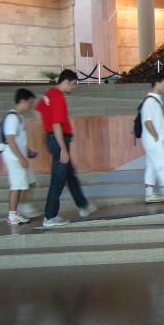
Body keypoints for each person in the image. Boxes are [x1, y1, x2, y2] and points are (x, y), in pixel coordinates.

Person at [35, 69, 97, 227]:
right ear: (66, 82)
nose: (74, 88)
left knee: (70, 175)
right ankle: (50, 216)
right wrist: (62, 148)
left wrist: (47, 134)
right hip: (59, 140)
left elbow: (39, 111)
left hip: (53, 138)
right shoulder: (58, 97)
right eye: (74, 84)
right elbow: (56, 124)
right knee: (58, 179)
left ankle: (83, 205)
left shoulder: (48, 94)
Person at [2, 88, 42, 225]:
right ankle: (12, 215)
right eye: (30, 103)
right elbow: (10, 140)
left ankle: (16, 212)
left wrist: (27, 151)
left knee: (21, 184)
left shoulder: (19, 118)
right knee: (16, 185)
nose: (30, 106)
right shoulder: (12, 118)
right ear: (23, 101)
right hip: (14, 158)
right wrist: (21, 158)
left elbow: (19, 140)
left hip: (19, 157)